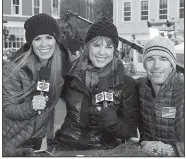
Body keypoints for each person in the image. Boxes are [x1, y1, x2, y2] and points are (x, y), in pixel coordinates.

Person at [54, 17, 139, 150]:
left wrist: (115, 124)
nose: (101, 52)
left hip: (104, 150)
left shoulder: (126, 84)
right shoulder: (71, 76)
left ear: (114, 51)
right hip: (66, 146)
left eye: (108, 47)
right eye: (97, 45)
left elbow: (130, 129)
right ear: (88, 47)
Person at [3, 13, 68, 156]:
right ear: (31, 42)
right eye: (38, 39)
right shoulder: (12, 70)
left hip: (34, 145)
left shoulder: (57, 71)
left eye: (49, 38)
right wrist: (30, 107)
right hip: (9, 145)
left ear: (56, 41)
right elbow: (6, 109)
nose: (44, 44)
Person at [137, 35, 184, 156]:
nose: (156, 65)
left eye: (163, 59)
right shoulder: (140, 88)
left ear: (172, 64)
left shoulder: (182, 92)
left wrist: (168, 150)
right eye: (150, 59)